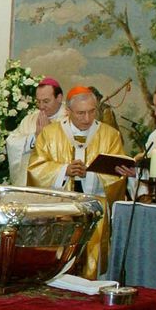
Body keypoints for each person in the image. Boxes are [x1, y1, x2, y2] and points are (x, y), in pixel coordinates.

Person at [28, 86, 126, 279]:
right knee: (58, 265)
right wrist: (64, 170)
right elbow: (35, 169)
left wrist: (89, 175)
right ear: (69, 111)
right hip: (59, 210)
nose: (87, 118)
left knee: (93, 263)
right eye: (81, 113)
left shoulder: (110, 135)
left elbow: (118, 176)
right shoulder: (50, 134)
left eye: (92, 111)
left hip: (95, 209)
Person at [5, 77, 67, 186]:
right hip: (29, 182)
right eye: (38, 101)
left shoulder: (70, 119)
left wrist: (48, 136)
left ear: (59, 98)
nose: (41, 106)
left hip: (55, 183)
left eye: (46, 101)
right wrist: (34, 137)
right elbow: (12, 142)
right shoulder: (30, 119)